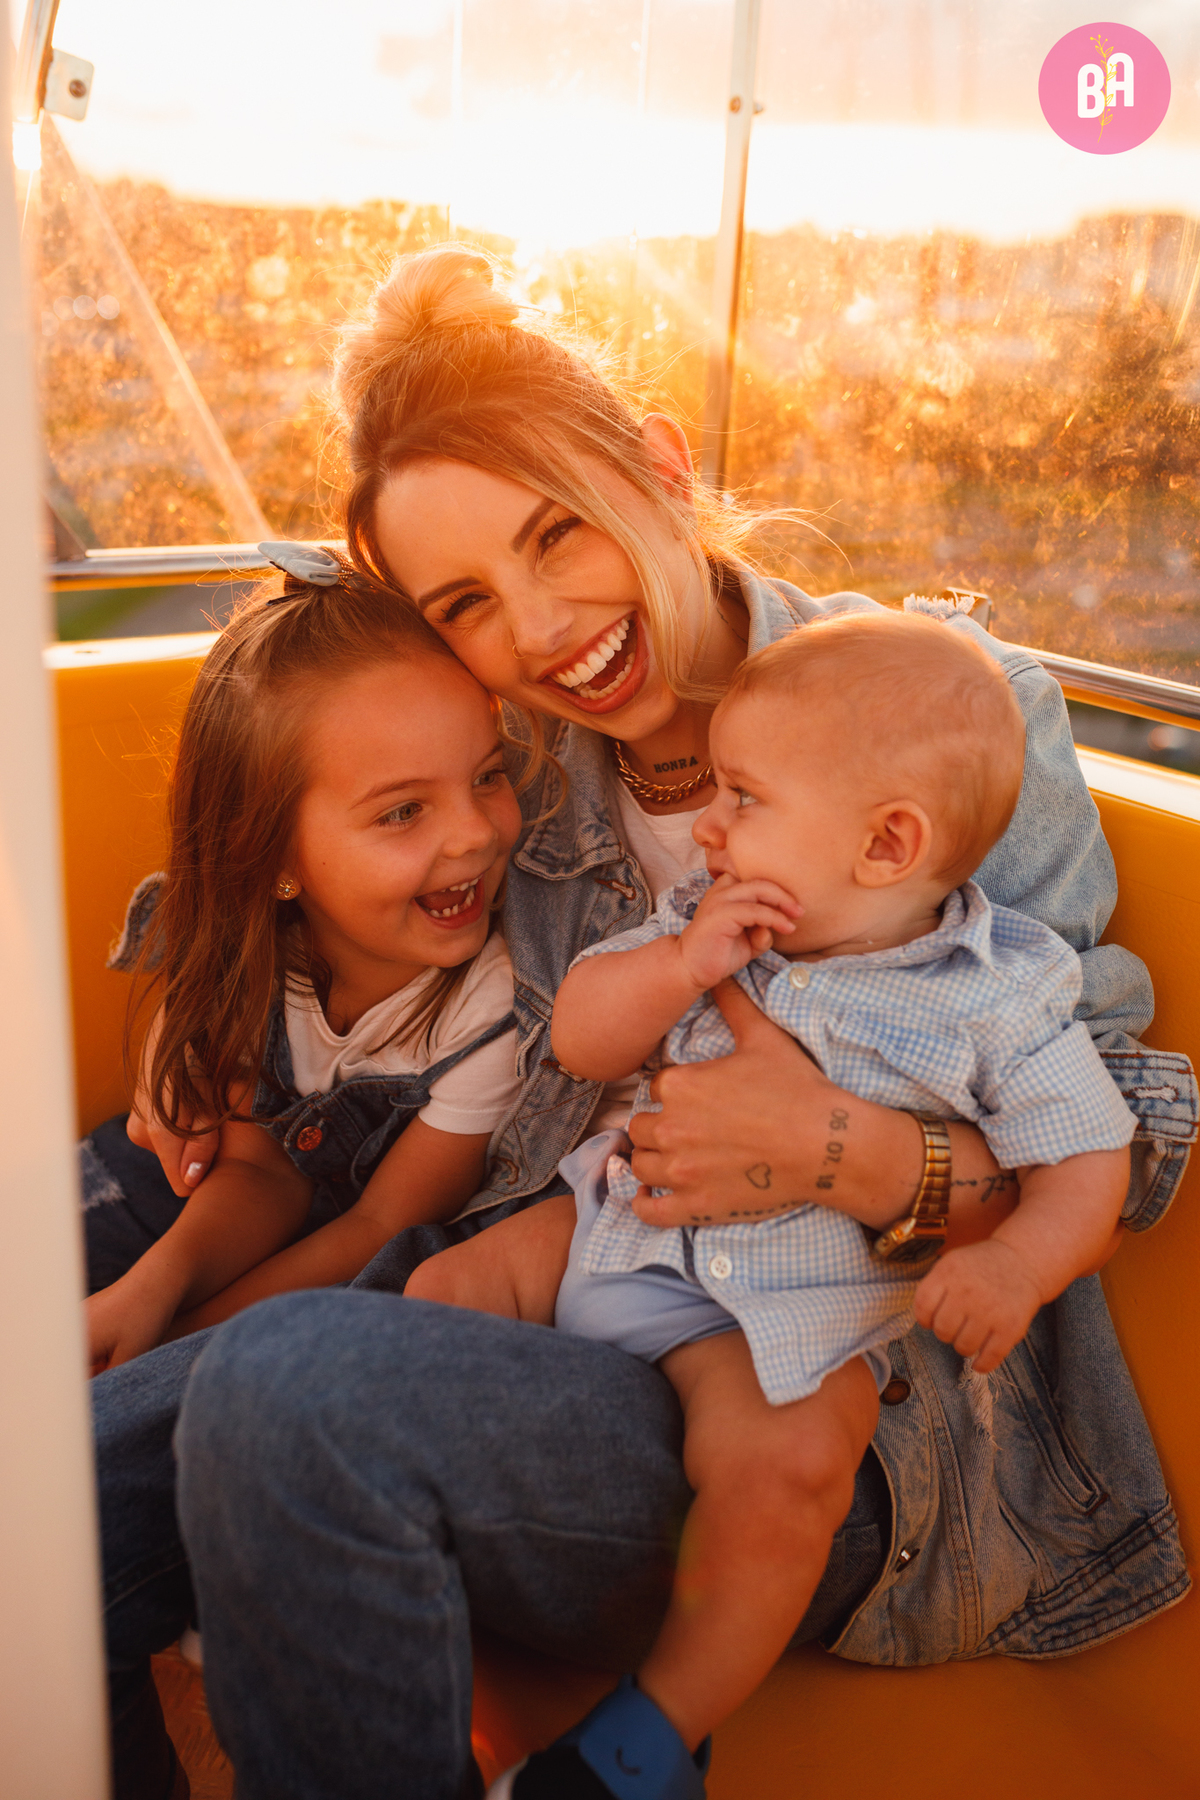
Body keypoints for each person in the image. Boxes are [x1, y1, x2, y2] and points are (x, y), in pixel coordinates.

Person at [91, 247, 1194, 1800]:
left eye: (563, 535)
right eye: (471, 602)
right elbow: (294, 781)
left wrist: (846, 1151)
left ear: (660, 467)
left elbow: (1113, 1140)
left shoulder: (947, 714)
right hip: (572, 1296)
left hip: (834, 1414)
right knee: (50, 1501)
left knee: (287, 1388)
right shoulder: (528, 760)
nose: (543, 630)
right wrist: (189, 1009)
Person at [407, 612, 1137, 1799]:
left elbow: (1089, 1162)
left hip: (771, 1331)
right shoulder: (714, 912)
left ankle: (650, 1736)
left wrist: (1017, 1269)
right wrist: (681, 964)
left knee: (793, 1472)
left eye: (743, 795)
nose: (710, 823)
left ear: (888, 842)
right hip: (606, 1229)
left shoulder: (1002, 996)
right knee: (438, 1292)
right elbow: (585, 1038)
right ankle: (442, 1642)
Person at [84, 547, 524, 1371]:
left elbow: (375, 1229)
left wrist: (170, 1342)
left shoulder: (486, 1013)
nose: (474, 833)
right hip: (186, 1203)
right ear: (277, 858)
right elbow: (258, 1172)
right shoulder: (260, 955)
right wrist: (155, 1285)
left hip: (336, 1271)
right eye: (402, 812)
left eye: (489, 775)